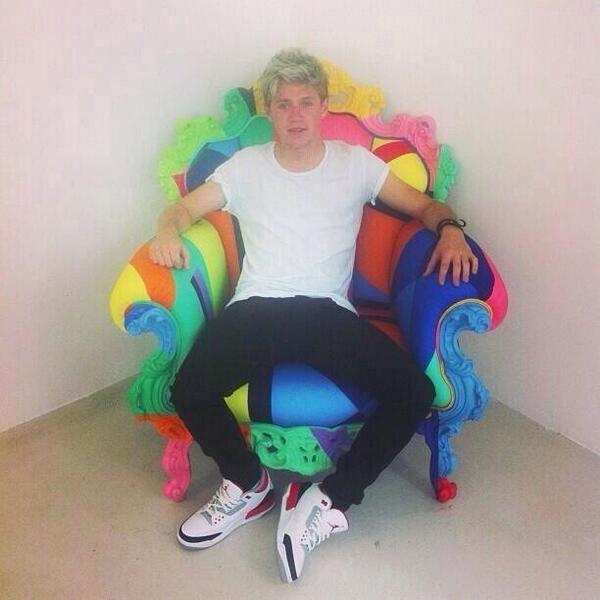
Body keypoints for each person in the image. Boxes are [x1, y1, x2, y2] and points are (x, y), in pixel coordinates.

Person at [149, 48, 478, 583]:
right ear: (269, 110)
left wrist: (450, 229)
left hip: (326, 313)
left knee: (413, 393)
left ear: (323, 106)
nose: (296, 114)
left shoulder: (357, 165)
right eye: (284, 104)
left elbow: (424, 206)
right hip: (257, 308)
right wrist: (167, 230)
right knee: (188, 388)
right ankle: (249, 485)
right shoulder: (246, 167)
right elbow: (184, 208)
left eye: (306, 102)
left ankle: (327, 501)